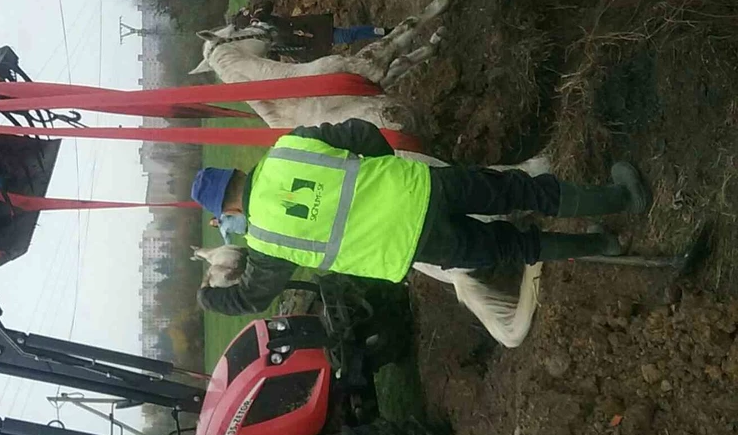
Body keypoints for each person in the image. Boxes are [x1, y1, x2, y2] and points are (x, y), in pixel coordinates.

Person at [190, 118, 651, 316]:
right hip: (426, 187)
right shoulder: (288, 147)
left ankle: (600, 245)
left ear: (227, 209)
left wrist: (210, 299)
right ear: (236, 171)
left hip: (414, 248)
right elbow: (361, 132)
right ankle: (621, 197)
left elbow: (251, 300)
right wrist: (384, 172)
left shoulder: (267, 243)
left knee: (515, 246)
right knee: (521, 189)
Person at [232, 0, 392, 60]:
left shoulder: (263, 18)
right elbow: (275, 58)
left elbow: (267, 4)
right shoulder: (260, 44)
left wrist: (259, 15)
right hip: (310, 49)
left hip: (314, 30)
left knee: (347, 35)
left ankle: (384, 32)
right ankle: (383, 35)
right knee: (347, 38)